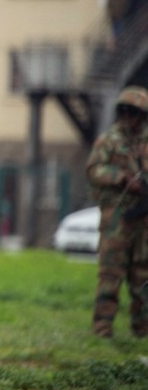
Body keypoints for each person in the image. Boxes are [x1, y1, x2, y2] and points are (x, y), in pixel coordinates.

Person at [86, 86, 148, 338]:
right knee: (111, 272)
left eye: (133, 112)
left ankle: (143, 329)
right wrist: (121, 178)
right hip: (118, 217)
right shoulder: (109, 140)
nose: (128, 116)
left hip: (144, 220)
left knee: (143, 275)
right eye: (123, 111)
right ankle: (102, 328)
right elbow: (93, 170)